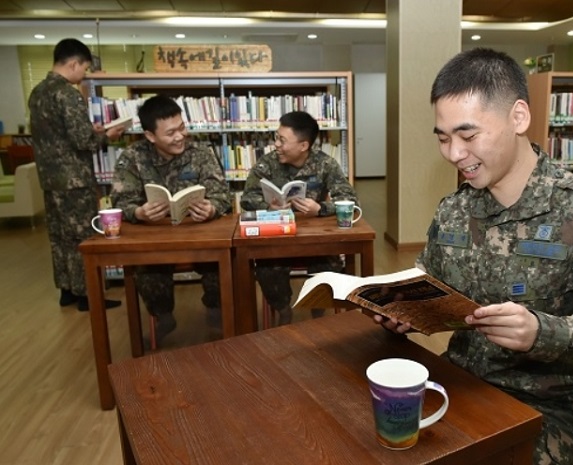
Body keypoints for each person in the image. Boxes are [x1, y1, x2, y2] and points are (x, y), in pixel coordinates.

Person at [375, 47, 573, 465]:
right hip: (460, 383)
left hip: (549, 407)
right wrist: (402, 306)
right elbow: (430, 279)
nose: (454, 154)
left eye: (468, 136)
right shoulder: (455, 209)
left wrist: (542, 333)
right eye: (443, 138)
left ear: (518, 118)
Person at [110, 94, 232, 344]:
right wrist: (139, 212)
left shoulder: (200, 153)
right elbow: (121, 202)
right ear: (150, 136)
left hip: (198, 235)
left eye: (182, 128)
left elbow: (223, 195)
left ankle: (217, 311)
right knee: (146, 268)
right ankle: (162, 316)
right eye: (170, 133)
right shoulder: (132, 157)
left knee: (220, 264)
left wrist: (212, 208)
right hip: (155, 236)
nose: (180, 136)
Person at [28, 38, 124, 312]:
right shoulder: (67, 94)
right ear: (73, 63)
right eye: (84, 68)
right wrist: (108, 135)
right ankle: (89, 296)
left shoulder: (37, 92)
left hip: (49, 178)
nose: (83, 74)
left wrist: (90, 131)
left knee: (59, 236)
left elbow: (58, 134)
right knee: (83, 236)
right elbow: (84, 142)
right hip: (74, 179)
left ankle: (67, 291)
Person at [240, 111, 358, 325]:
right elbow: (247, 198)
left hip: (314, 238)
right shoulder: (267, 163)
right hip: (278, 237)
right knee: (266, 268)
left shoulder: (325, 164)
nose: (276, 144)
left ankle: (317, 311)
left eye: (282, 140)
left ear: (303, 146)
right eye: (276, 137)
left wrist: (320, 208)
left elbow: (349, 199)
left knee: (330, 265)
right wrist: (268, 205)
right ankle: (283, 309)